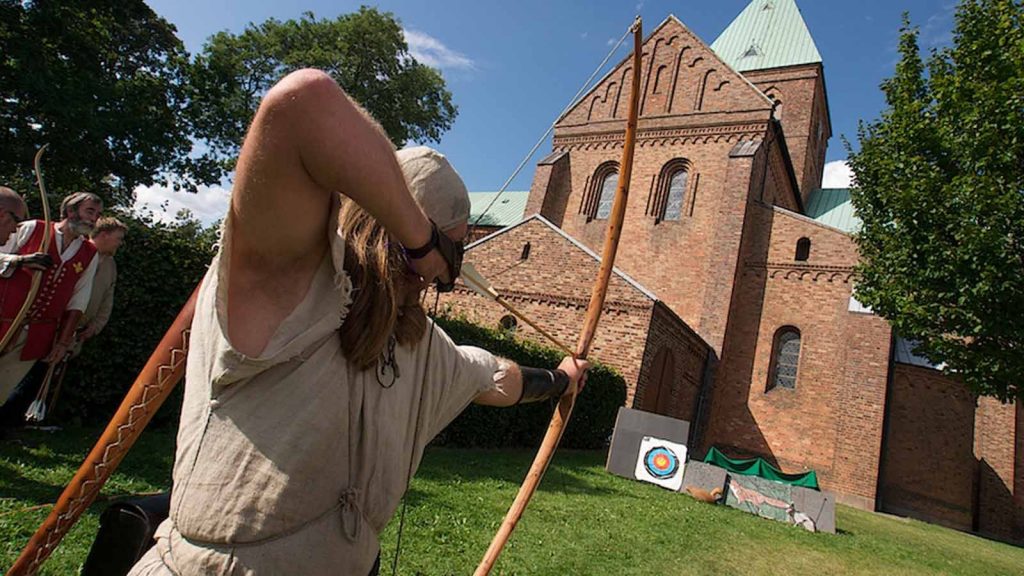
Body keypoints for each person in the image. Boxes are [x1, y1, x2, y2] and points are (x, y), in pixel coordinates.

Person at [128, 69, 587, 576]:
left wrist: (562, 379)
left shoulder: (420, 343)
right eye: (450, 253)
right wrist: (424, 241)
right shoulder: (292, 280)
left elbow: (495, 378)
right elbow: (303, 104)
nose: (443, 278)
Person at [0, 192, 101, 407]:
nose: (94, 219)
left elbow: (78, 299)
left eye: (98, 215)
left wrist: (63, 342)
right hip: (4, 321)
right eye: (90, 211)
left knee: (3, 390)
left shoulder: (89, 253)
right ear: (70, 211)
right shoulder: (32, 228)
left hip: (36, 334)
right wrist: (20, 261)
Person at [71, 216, 126, 355]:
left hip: (77, 335)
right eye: (118, 238)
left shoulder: (111, 265)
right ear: (104, 235)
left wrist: (95, 326)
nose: (120, 243)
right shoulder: (77, 250)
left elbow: (107, 300)